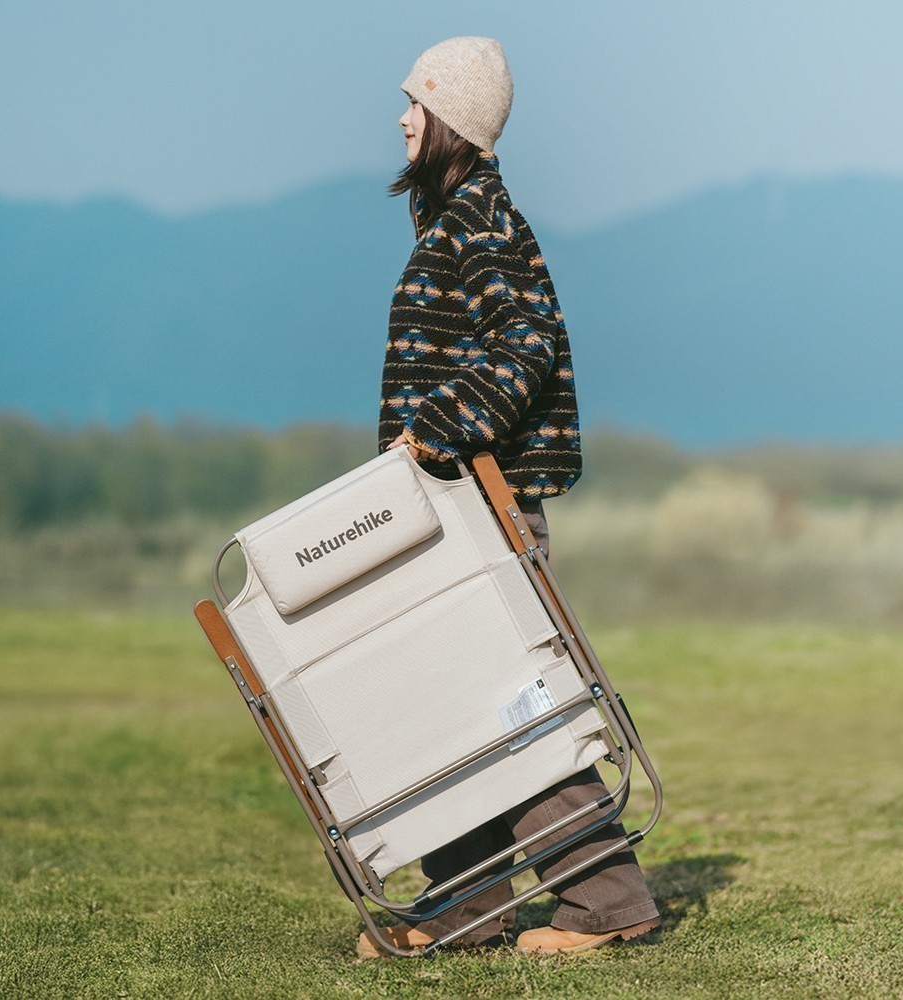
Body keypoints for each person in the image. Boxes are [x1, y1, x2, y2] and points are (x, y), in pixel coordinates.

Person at [360, 36, 660, 958]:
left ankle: (606, 902)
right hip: (465, 512)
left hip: (489, 511)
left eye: (415, 103)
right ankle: (465, 909)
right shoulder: (457, 218)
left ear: (451, 119)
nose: (401, 119)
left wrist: (434, 429)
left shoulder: (479, 221)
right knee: (463, 713)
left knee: (511, 712)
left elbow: (524, 344)